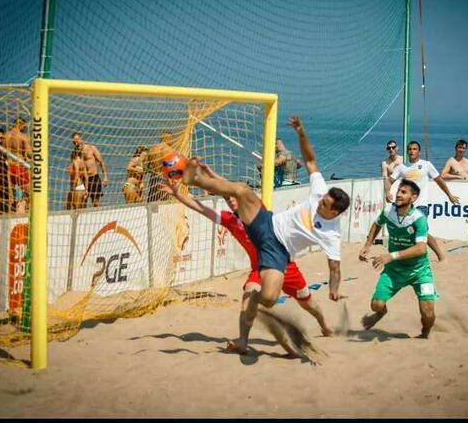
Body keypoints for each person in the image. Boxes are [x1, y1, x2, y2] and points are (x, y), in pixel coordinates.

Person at [182, 116, 351, 354]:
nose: (319, 204)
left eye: (325, 205)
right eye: (322, 200)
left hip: (277, 252)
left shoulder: (332, 234)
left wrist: (334, 289)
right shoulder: (321, 191)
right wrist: (301, 132)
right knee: (242, 189)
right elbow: (311, 160)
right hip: (266, 223)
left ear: (335, 212)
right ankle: (196, 178)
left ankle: (311, 321)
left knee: (270, 298)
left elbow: (334, 268)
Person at [161, 169, 332, 356]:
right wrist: (178, 194)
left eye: (233, 197)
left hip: (285, 266)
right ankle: (243, 342)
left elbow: (235, 189)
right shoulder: (229, 219)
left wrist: (214, 175)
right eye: (227, 199)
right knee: (246, 300)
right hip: (258, 269)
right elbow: (201, 208)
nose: (231, 200)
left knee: (308, 303)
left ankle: (324, 325)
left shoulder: (259, 211)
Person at [358, 179, 438, 339]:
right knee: (376, 305)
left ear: (413, 198)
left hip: (420, 270)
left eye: (403, 192)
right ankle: (381, 313)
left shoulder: (418, 218)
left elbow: (421, 248)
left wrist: (391, 256)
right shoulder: (388, 211)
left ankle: (424, 334)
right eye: (398, 191)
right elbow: (377, 224)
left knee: (428, 313)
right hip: (394, 270)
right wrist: (368, 244)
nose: (398, 195)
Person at [385, 141, 460, 262]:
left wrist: (449, 195)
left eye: (414, 149)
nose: (412, 151)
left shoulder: (426, 165)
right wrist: (387, 192)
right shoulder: (402, 167)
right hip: (406, 207)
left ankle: (440, 255)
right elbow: (389, 180)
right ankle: (409, 255)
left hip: (421, 206)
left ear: (419, 152)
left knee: (421, 232)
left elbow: (439, 180)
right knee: (410, 231)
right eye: (410, 149)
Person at [71, 132, 109, 207]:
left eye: (77, 141)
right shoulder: (74, 153)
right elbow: (75, 169)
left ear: (81, 139)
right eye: (74, 142)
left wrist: (105, 177)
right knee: (82, 202)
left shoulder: (91, 148)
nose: (76, 144)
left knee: (95, 201)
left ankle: (98, 216)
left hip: (94, 177)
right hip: (83, 180)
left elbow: (101, 162)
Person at [4, 117, 32, 207]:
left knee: (10, 196)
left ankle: (11, 214)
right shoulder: (23, 136)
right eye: (23, 127)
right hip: (19, 167)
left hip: (7, 167)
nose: (23, 129)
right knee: (30, 193)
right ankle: (30, 213)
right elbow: (29, 153)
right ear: (20, 125)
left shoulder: (5, 135)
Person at [146, 132, 176, 203]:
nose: (173, 141)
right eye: (172, 139)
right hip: (165, 178)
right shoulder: (170, 150)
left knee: (152, 201)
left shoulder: (152, 149)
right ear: (167, 139)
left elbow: (145, 168)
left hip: (154, 178)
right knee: (166, 203)